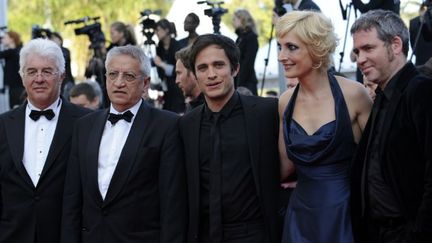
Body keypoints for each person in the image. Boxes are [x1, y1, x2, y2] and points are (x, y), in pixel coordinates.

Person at [61, 45, 187, 243]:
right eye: (113, 74)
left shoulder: (167, 126)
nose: (119, 83)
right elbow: (72, 199)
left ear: (145, 84)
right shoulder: (84, 126)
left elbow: (172, 203)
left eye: (128, 76)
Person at [276, 11, 372, 243]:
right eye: (280, 47)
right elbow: (284, 168)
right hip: (300, 216)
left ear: (315, 47)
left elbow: (375, 164)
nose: (281, 56)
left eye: (291, 47)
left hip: (345, 213)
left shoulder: (354, 94)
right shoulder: (285, 102)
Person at [180, 34, 281, 243]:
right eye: (203, 68)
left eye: (218, 65)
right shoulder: (185, 125)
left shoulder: (267, 112)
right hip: (203, 235)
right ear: (195, 75)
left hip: (254, 234)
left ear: (235, 69)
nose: (211, 74)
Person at [350, 9, 432, 243]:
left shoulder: (421, 91)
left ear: (395, 45)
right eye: (357, 51)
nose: (360, 58)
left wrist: (418, 233)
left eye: (368, 48)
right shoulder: (382, 96)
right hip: (377, 231)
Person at [0, 38, 90, 243]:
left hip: (66, 235)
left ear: (62, 77)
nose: (38, 78)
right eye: (31, 71)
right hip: (12, 235)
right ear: (22, 77)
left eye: (47, 71)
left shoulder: (87, 123)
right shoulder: (3, 125)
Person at [154, 19, 185, 113]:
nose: (156, 33)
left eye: (158, 30)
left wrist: (161, 64)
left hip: (177, 90)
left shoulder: (177, 46)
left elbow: (178, 70)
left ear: (166, 30)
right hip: (165, 90)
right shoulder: (159, 47)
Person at [232, 8, 259, 95]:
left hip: (246, 82)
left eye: (235, 19)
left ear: (242, 19)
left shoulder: (251, 37)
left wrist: (239, 82)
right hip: (239, 80)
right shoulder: (240, 38)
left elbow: (248, 62)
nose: (233, 22)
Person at [175, 47, 203, 113]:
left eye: (179, 73)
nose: (176, 81)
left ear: (193, 73)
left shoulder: (210, 108)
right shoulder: (191, 107)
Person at [0, 31, 24, 109]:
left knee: (16, 110)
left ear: (11, 39)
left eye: (5, 38)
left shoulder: (13, 52)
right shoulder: (17, 51)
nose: (2, 40)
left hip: (17, 88)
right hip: (17, 87)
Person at [50, 31, 75, 98]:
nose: (53, 40)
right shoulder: (49, 52)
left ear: (60, 40)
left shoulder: (65, 51)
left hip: (66, 80)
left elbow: (63, 60)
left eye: (55, 38)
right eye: (51, 38)